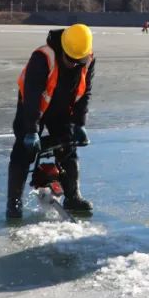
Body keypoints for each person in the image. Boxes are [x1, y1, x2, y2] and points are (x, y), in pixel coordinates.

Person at [7, 24, 95, 219]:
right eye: (70, 61)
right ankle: (13, 203)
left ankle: (72, 197)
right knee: (23, 151)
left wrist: (79, 124)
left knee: (68, 148)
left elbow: (85, 92)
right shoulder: (42, 58)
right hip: (33, 107)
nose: (74, 65)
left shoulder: (86, 59)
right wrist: (31, 129)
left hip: (62, 109)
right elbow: (31, 95)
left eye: (77, 62)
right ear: (63, 49)